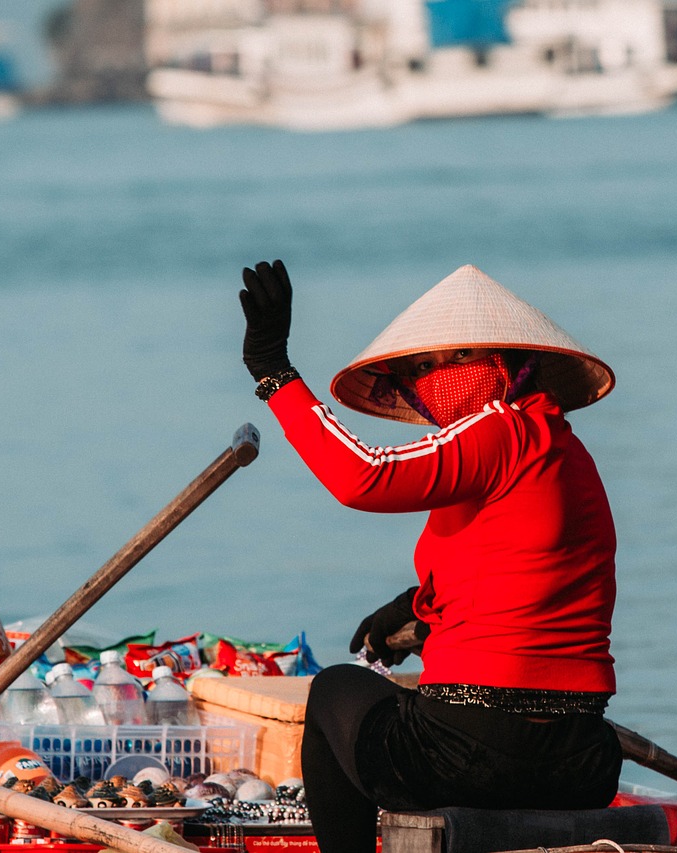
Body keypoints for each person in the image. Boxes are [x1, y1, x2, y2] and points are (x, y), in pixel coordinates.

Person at [238, 260, 623, 853]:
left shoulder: (500, 430)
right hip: (584, 760)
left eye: (459, 355)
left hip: (474, 753)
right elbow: (521, 578)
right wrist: (414, 610)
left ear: (509, 362)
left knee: (335, 692)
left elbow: (362, 478)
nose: (440, 375)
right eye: (423, 367)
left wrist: (274, 374)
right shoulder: (567, 454)